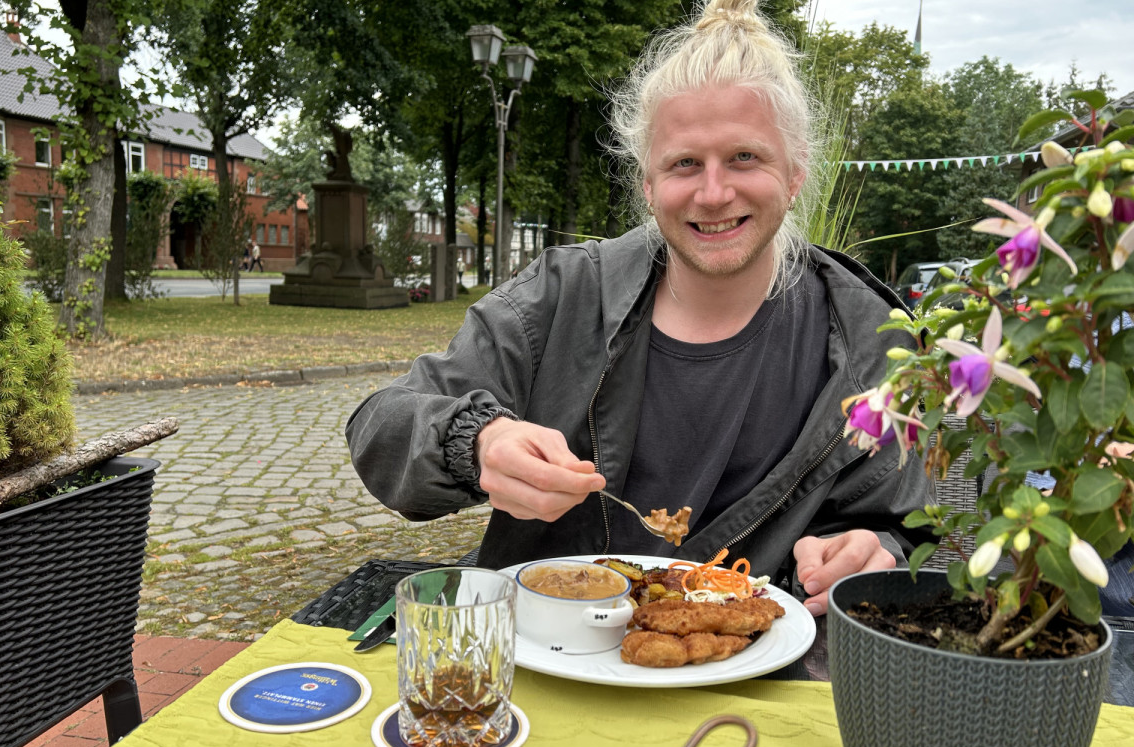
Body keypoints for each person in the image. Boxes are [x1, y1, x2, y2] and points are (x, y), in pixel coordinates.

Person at [346, 0, 933, 616]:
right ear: (648, 185)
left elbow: (898, 527)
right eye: (685, 164)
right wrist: (477, 442)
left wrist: (866, 550)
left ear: (794, 174)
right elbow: (381, 425)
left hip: (760, 659)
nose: (713, 192)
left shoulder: (868, 339)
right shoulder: (561, 295)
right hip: (544, 647)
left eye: (745, 157)